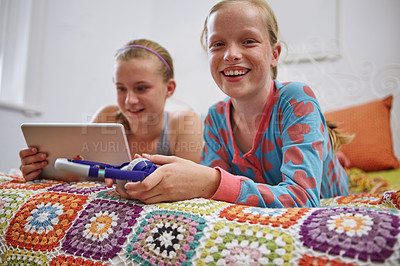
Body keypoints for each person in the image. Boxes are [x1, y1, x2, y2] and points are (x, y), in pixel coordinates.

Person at [115, 0, 351, 208]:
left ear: (274, 54)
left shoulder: (295, 99)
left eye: (248, 41)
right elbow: (211, 197)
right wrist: (147, 179)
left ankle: (339, 161)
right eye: (217, 44)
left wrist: (211, 181)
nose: (230, 54)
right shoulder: (216, 117)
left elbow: (304, 198)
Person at [19, 39, 203, 182]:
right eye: (121, 88)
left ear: (169, 89)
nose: (129, 100)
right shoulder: (107, 117)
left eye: (142, 88)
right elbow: (77, 175)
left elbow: (182, 186)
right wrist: (41, 170)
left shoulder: (184, 123)